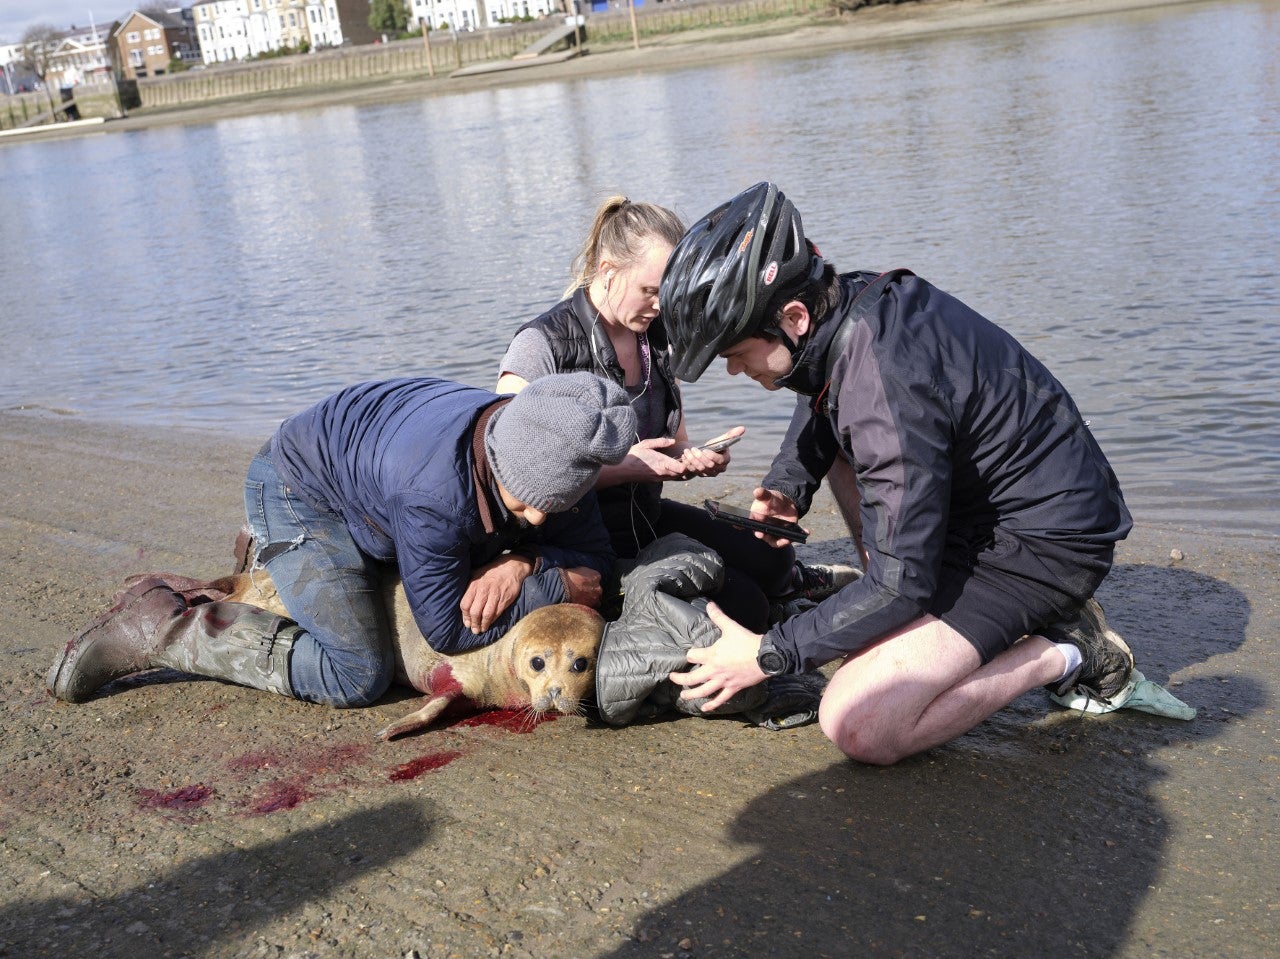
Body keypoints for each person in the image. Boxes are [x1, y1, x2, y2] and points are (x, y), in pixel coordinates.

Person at [659, 181, 1135, 765]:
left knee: (858, 722)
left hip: (1044, 542)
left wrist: (767, 652)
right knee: (852, 488)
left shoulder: (885, 379)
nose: (734, 372)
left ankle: (1066, 648)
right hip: (980, 509)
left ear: (793, 316)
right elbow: (825, 392)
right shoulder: (851, 309)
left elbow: (900, 574)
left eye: (736, 354)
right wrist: (789, 483)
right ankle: (903, 619)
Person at [48, 373, 635, 708]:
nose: (537, 517)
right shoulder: (433, 493)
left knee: (503, 555)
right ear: (498, 458)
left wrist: (523, 564)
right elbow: (448, 629)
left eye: (552, 507)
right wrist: (557, 578)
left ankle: (283, 569)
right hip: (298, 490)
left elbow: (599, 562)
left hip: (372, 485)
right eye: (525, 502)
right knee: (356, 673)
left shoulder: (548, 448)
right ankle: (161, 627)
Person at [495, 195, 857, 631]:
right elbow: (507, 476)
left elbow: (673, 439)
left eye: (667, 295)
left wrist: (692, 457)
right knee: (747, 607)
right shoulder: (540, 345)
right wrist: (628, 468)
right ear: (608, 271)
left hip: (646, 517)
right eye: (650, 291)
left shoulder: (656, 334)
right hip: (579, 539)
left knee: (774, 555)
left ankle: (788, 585)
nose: (660, 307)